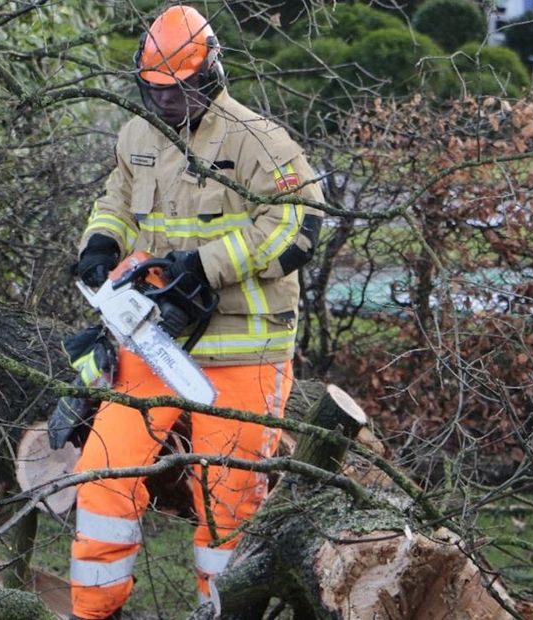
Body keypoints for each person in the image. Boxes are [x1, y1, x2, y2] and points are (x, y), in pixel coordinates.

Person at [67, 5, 324, 619]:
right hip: (157, 341)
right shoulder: (137, 135)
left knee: (228, 506)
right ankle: (95, 611)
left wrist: (207, 266)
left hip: (243, 350)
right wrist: (100, 242)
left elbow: (299, 223)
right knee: (103, 475)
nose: (166, 104)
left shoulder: (258, 141)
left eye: (178, 92)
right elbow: (117, 201)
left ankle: (224, 614)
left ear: (209, 76)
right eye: (155, 92)